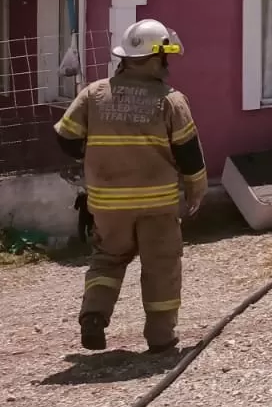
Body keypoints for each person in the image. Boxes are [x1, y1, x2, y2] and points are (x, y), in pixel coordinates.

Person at [53, 19, 208, 354]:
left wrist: (93, 157)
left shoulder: (94, 94)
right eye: (165, 57)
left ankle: (94, 315)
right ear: (156, 58)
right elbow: (189, 153)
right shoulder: (171, 101)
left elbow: (65, 137)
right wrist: (197, 188)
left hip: (107, 206)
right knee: (161, 265)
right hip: (157, 205)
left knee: (107, 259)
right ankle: (160, 337)